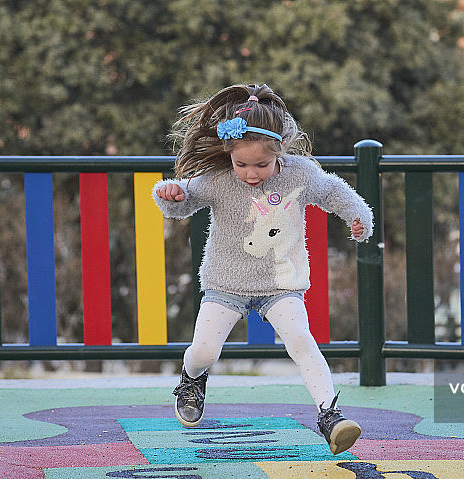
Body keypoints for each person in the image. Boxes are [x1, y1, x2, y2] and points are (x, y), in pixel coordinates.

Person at [153, 83, 374, 455]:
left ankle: (330, 415)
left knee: (302, 342)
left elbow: (334, 191)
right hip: (226, 282)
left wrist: (358, 216)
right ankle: (191, 379)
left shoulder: (300, 174)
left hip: (280, 283)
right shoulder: (220, 179)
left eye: (261, 164)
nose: (251, 173)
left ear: (279, 152)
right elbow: (185, 199)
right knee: (205, 350)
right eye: (242, 164)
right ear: (230, 154)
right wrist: (171, 195)